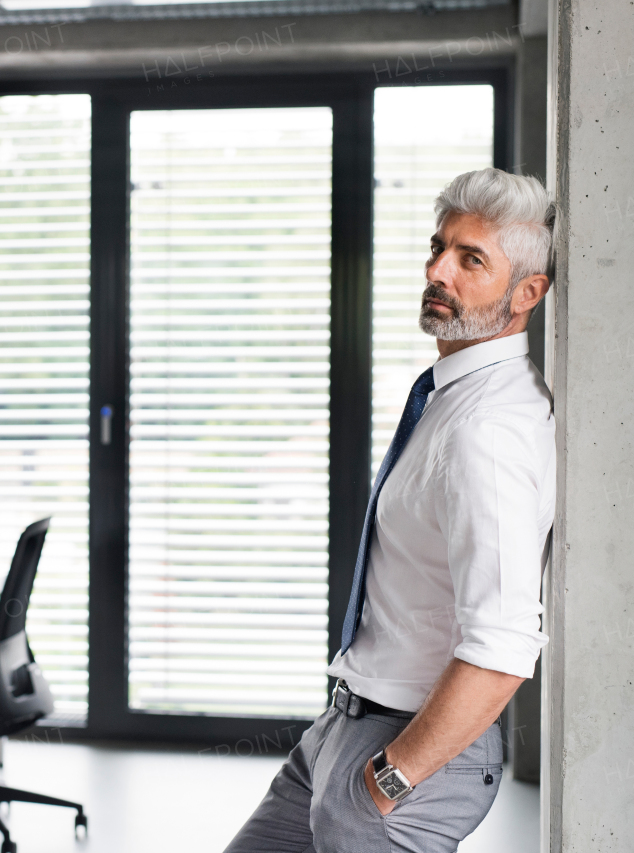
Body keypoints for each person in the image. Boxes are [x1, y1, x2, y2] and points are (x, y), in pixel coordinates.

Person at [224, 168, 557, 853]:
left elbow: (502, 644)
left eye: (472, 259)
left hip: (406, 749)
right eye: (440, 247)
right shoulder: (451, 398)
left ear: (527, 292)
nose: (438, 270)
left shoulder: (487, 431)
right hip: (344, 725)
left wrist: (386, 782)